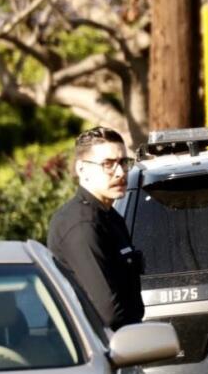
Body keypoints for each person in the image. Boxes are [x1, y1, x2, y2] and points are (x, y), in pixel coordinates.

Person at [48, 127, 144, 330]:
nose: (120, 172)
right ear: (82, 169)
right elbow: (108, 314)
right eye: (108, 164)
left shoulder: (109, 216)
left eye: (123, 162)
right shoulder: (82, 225)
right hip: (100, 350)